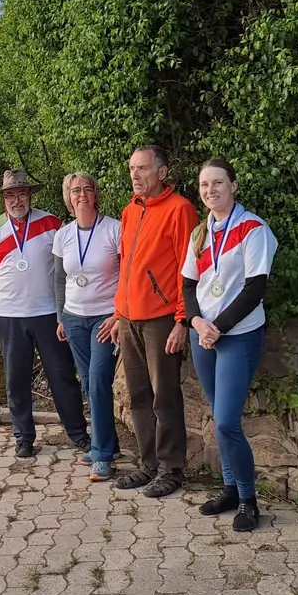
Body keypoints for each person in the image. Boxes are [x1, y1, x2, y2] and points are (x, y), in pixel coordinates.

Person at [181, 158, 278, 531]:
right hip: (204, 333)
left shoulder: (253, 229)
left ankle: (248, 500)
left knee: (226, 421)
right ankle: (229, 488)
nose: (211, 191)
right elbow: (189, 285)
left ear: (233, 186)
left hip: (237, 334)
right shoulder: (200, 233)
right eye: (204, 185)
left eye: (218, 183)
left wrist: (216, 326)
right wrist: (196, 321)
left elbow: (256, 288)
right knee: (217, 416)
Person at [0, 169, 91, 459]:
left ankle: (78, 433)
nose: (17, 200)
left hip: (49, 313)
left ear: (29, 195)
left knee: (62, 375)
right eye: (11, 195)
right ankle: (23, 437)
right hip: (9, 316)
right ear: (4, 199)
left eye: (22, 193)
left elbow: (70, 266)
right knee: (16, 379)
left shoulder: (52, 224)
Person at [108, 146, 200, 498]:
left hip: (161, 319)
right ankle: (148, 465)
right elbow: (126, 265)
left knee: (165, 396)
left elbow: (186, 269)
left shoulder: (181, 210)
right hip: (130, 318)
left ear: (161, 172)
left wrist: (182, 320)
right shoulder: (130, 211)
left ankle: (172, 469)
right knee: (139, 396)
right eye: (132, 168)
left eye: (142, 168)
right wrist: (119, 311)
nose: (135, 174)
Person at [51, 171, 123, 481]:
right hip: (74, 318)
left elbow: (129, 274)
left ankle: (103, 455)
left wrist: (120, 315)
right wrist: (60, 316)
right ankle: (108, 445)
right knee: (88, 383)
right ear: (68, 197)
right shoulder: (63, 234)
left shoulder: (113, 229)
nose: (81, 194)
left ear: (95, 194)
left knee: (97, 381)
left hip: (105, 318)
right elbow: (58, 278)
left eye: (87, 189)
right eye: (75, 190)